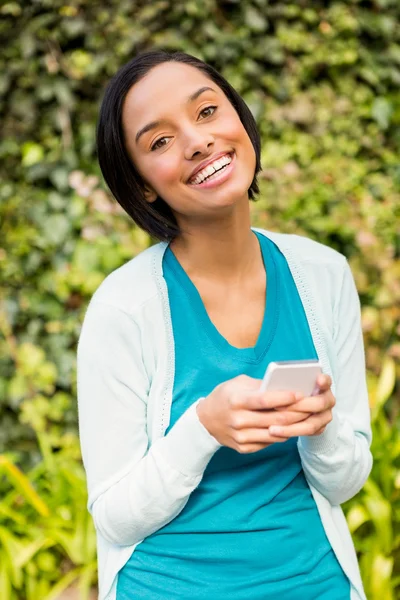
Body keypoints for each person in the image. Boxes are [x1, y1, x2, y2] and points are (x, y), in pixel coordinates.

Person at [77, 50, 373, 600]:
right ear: (142, 185)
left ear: (240, 120)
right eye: (159, 142)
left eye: (208, 111)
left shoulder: (323, 274)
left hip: (314, 584)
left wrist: (323, 426)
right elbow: (114, 518)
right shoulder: (123, 308)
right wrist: (203, 428)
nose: (196, 141)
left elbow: (346, 480)